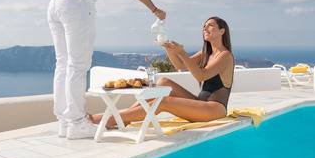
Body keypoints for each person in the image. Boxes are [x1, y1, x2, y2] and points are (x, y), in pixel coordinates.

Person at [43, 0, 166, 139]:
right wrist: (153, 8)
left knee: (63, 63)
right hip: (77, 5)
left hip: (55, 4)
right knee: (77, 65)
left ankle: (64, 122)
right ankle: (77, 123)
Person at [90, 17, 234, 127]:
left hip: (214, 110)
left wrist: (182, 52)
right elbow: (180, 65)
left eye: (210, 25)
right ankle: (124, 117)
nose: (205, 28)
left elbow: (201, 75)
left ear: (222, 31)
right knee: (164, 82)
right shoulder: (205, 53)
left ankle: (110, 119)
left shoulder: (225, 56)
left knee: (163, 102)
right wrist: (167, 48)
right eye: (204, 26)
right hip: (200, 103)